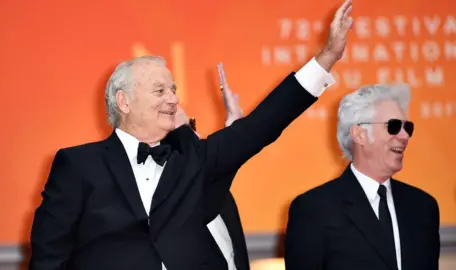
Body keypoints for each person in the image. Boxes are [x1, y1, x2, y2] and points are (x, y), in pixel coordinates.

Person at [29, 1, 352, 269]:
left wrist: (326, 58)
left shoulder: (194, 158)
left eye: (173, 90)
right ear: (123, 101)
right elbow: (49, 256)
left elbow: (262, 125)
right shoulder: (78, 163)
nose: (172, 99)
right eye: (159, 90)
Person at [284, 83, 440, 270]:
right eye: (394, 126)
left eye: (408, 127)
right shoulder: (314, 210)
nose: (404, 136)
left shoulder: (423, 207)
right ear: (359, 134)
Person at [174, 63, 249, 270]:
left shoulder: (221, 196)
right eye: (183, 135)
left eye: (192, 126)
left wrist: (236, 128)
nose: (197, 137)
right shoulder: (157, 212)